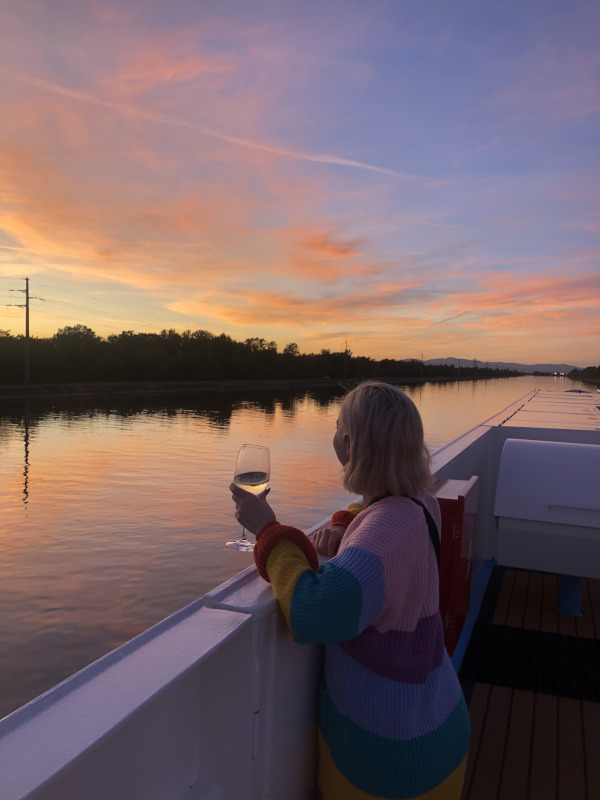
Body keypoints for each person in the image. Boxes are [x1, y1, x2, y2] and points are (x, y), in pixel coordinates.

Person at [230, 381, 471, 800]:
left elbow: (316, 611)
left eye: (338, 427)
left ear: (348, 443)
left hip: (390, 762)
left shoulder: (381, 538)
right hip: (437, 726)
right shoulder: (420, 503)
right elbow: (376, 511)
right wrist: (345, 520)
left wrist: (268, 531)